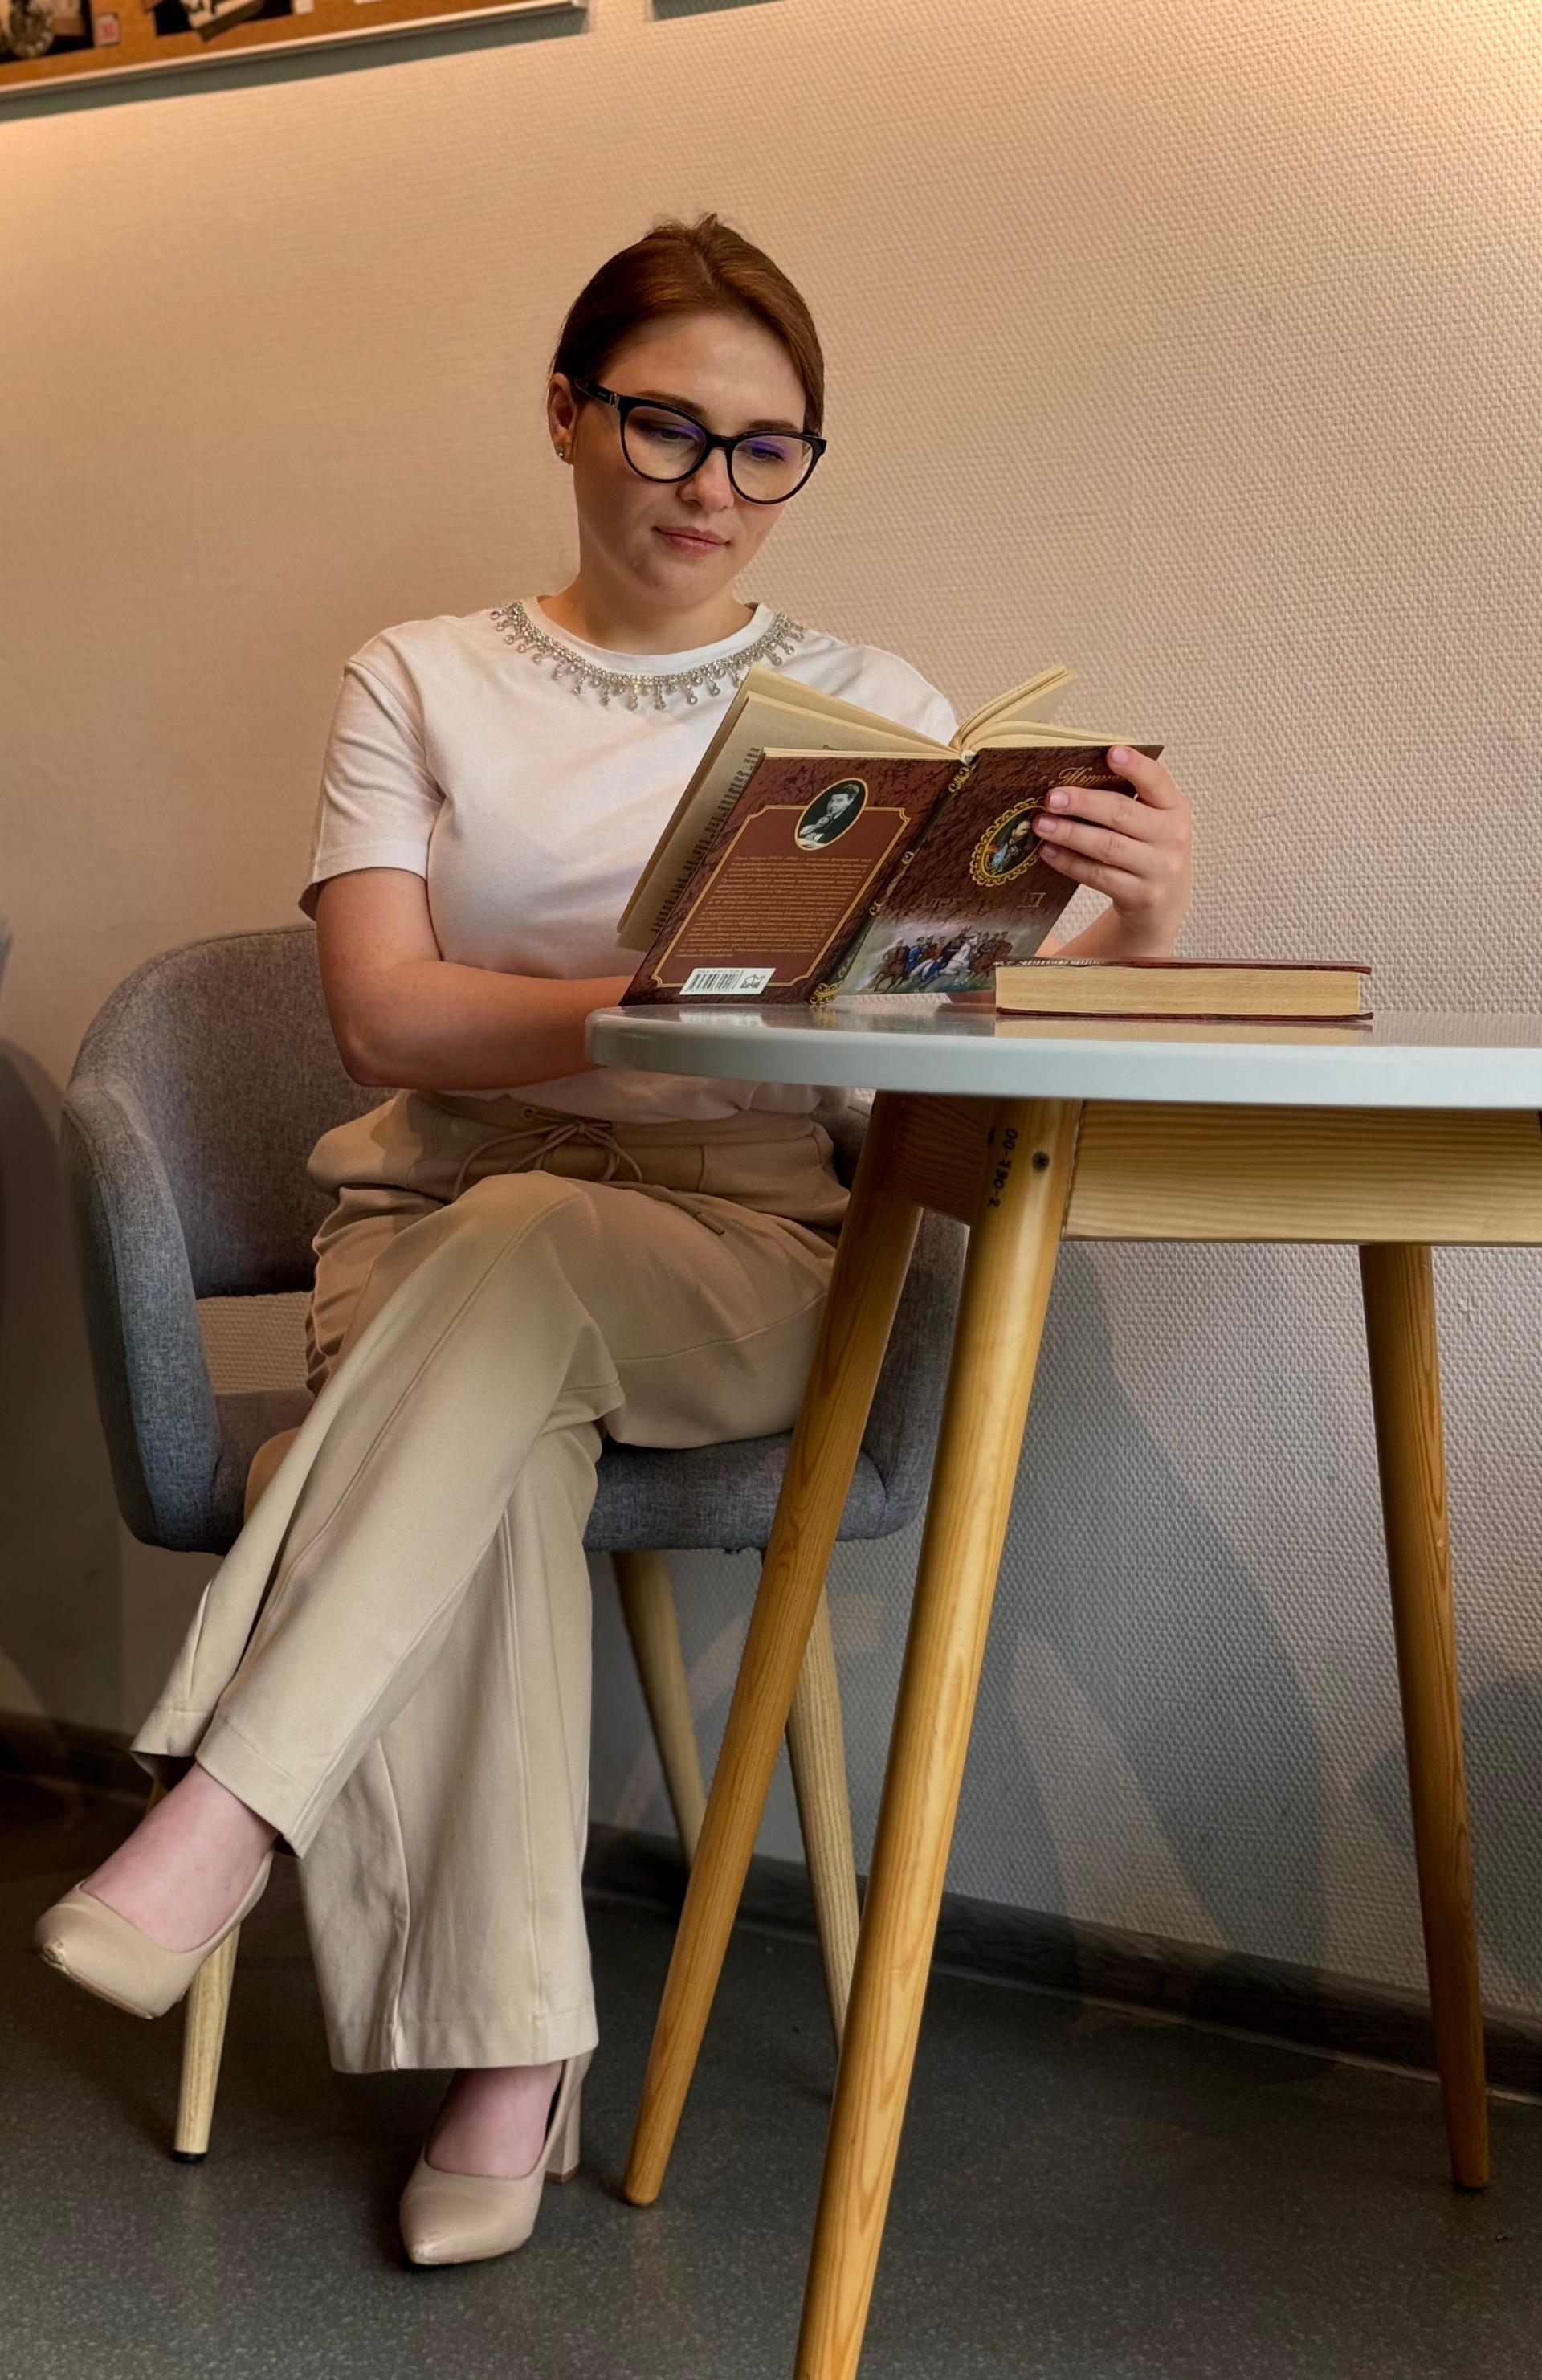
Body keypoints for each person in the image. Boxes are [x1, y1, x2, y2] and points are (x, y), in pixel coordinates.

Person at [34, 214, 1194, 2271]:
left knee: (526, 1273)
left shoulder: (875, 710)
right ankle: (522, 2057)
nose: (712, 486)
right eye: (666, 425)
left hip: (745, 1248)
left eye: (768, 449)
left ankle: (232, 1798)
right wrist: (668, 990)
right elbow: (386, 1022)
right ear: (569, 413)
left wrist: (1140, 925)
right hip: (430, 1218)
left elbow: (945, 1063)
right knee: (495, 1351)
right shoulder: (418, 676)